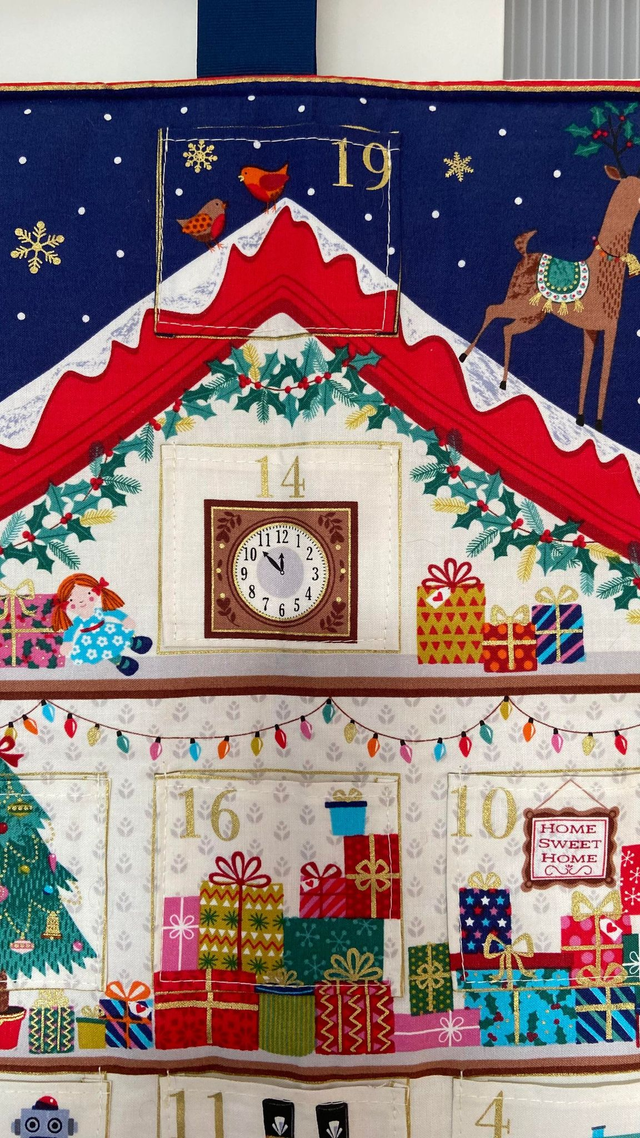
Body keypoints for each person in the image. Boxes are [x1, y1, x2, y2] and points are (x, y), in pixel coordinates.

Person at [51, 573, 151, 676]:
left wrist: (125, 619)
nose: (81, 601)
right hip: (90, 640)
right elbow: (71, 630)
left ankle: (133, 642)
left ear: (96, 591)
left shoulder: (99, 610)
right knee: (105, 651)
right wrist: (67, 642)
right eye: (71, 600)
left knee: (119, 637)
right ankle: (120, 661)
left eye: (87, 593)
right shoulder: (78, 620)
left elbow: (113, 612)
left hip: (108, 630)